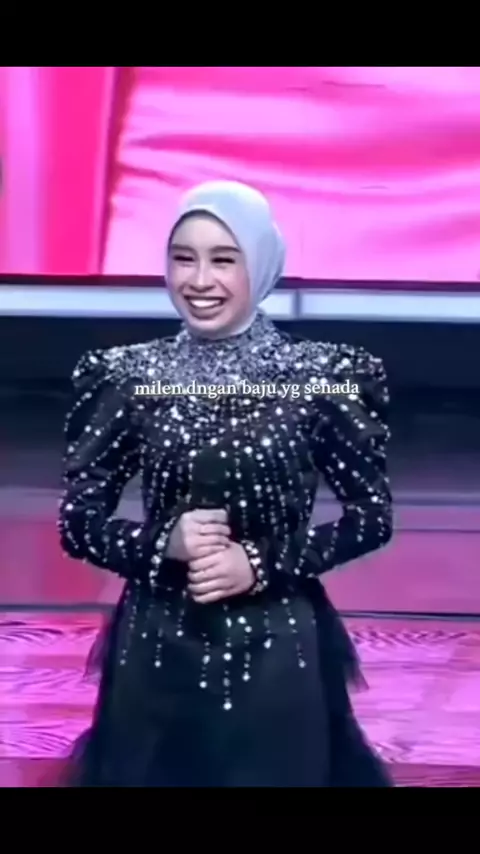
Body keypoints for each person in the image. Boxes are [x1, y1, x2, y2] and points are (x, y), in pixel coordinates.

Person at [57, 180, 394, 787]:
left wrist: (259, 564)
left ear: (259, 264)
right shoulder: (126, 376)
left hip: (276, 648)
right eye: (183, 258)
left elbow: (371, 517)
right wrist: (162, 544)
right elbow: (79, 522)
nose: (199, 280)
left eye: (223, 260)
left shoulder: (323, 377)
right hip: (156, 650)